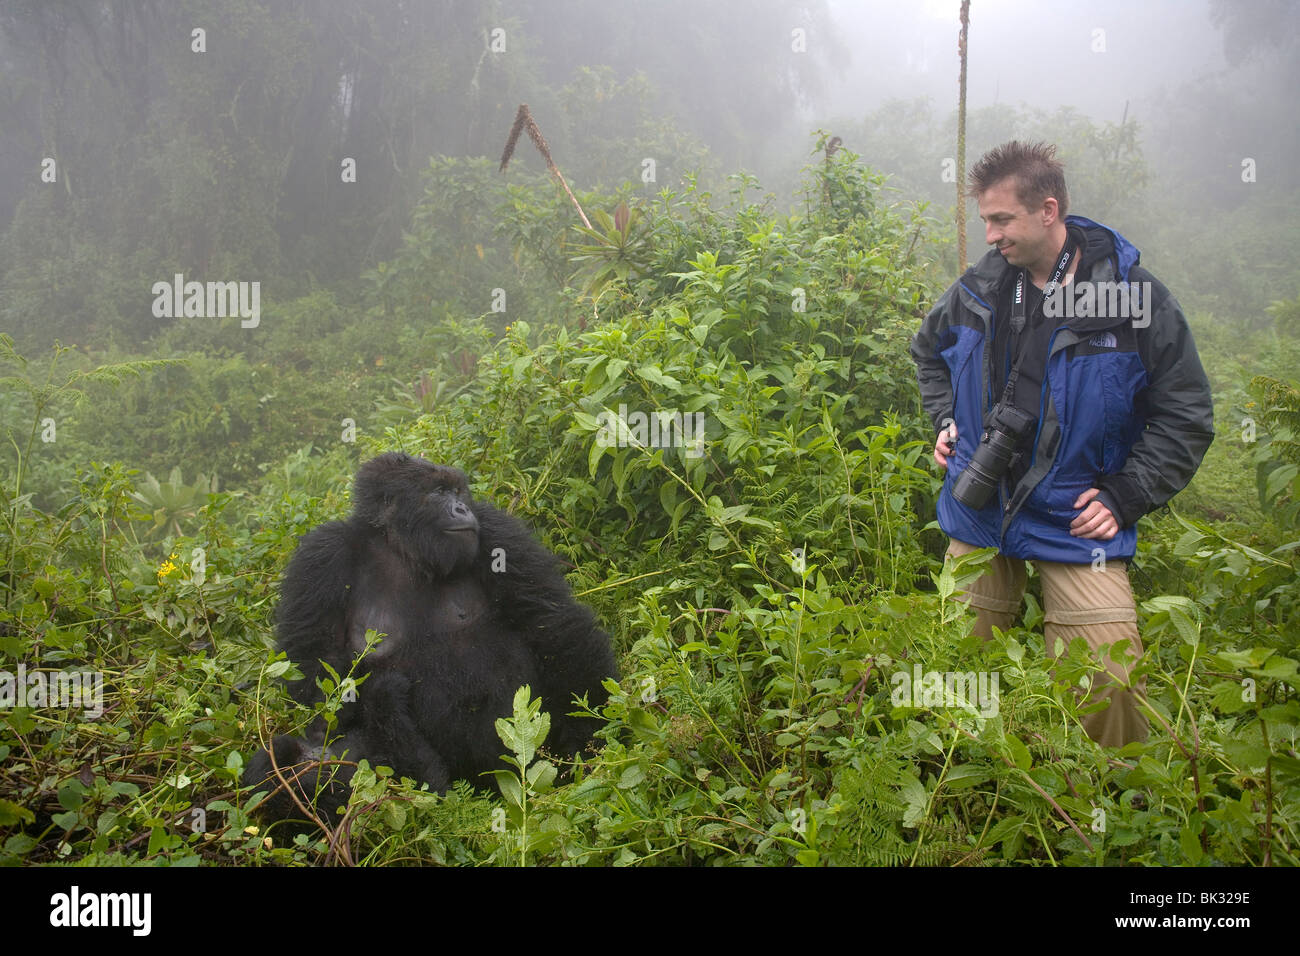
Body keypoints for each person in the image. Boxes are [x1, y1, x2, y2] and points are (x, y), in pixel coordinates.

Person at [910, 141, 1214, 747]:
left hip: (1073, 517)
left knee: (1110, 687)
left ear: (1048, 210)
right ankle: (958, 783)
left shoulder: (1133, 299)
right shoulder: (979, 288)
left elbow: (1186, 414)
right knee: (953, 669)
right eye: (986, 220)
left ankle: (1108, 810)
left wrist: (1127, 494)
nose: (990, 235)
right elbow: (929, 354)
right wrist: (946, 421)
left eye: (1002, 219)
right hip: (979, 498)